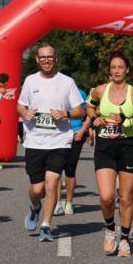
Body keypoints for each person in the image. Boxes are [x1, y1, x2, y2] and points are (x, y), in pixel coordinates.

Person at [17, 43, 86, 242]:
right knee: (37, 189)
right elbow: (19, 105)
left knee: (52, 182)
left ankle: (46, 225)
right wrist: (25, 112)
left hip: (59, 140)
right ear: (38, 60)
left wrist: (65, 113)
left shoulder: (67, 82)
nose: (47, 60)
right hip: (35, 141)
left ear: (56, 59)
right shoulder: (30, 81)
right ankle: (34, 206)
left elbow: (80, 111)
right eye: (43, 57)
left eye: (50, 57)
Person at [87, 52, 133, 256]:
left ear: (127, 70)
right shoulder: (100, 90)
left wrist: (125, 121)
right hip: (105, 147)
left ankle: (124, 239)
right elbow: (90, 106)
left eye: (120, 67)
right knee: (106, 197)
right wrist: (94, 118)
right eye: (113, 67)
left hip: (128, 147)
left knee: (125, 197)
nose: (116, 71)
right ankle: (110, 228)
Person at [54, 84, 90, 216]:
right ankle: (57, 203)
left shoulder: (80, 93)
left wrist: (82, 130)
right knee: (56, 170)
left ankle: (69, 203)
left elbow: (88, 115)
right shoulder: (52, 90)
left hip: (75, 134)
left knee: (70, 170)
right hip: (57, 135)